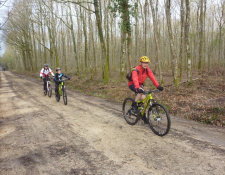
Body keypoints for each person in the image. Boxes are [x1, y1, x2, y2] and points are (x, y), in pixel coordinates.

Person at [128, 56, 163, 123]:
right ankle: (134, 104)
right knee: (140, 93)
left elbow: (152, 78)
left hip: (140, 85)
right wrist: (137, 88)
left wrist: (158, 86)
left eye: (146, 63)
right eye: (144, 63)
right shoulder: (136, 69)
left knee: (144, 100)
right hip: (132, 84)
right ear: (140, 63)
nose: (145, 64)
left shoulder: (147, 70)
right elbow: (135, 79)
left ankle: (143, 116)